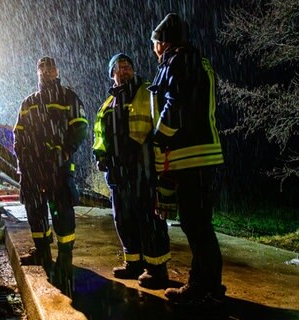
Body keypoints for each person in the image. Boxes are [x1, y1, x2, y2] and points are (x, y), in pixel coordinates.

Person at [149, 13, 225, 307]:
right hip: (201, 155)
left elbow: (175, 103)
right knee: (201, 224)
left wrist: (160, 136)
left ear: (163, 42)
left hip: (192, 157)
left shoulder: (178, 61)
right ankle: (210, 284)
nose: (155, 49)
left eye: (155, 43)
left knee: (196, 224)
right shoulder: (196, 59)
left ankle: (201, 288)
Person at [93, 53, 171, 289]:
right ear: (111, 74)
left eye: (127, 67)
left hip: (143, 169)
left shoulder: (148, 92)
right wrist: (101, 156)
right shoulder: (107, 104)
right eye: (119, 68)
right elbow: (99, 135)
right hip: (118, 173)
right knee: (123, 219)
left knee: (148, 219)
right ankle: (134, 263)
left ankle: (157, 269)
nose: (124, 71)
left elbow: (159, 125)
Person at [13, 56, 88, 296]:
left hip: (59, 168)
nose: (46, 71)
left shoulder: (68, 97)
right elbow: (19, 134)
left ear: (57, 71)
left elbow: (81, 126)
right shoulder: (28, 102)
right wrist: (24, 160)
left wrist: (65, 151)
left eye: (50, 68)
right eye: (41, 68)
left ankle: (65, 258)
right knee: (35, 213)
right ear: (37, 72)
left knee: (62, 212)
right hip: (33, 170)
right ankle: (42, 252)